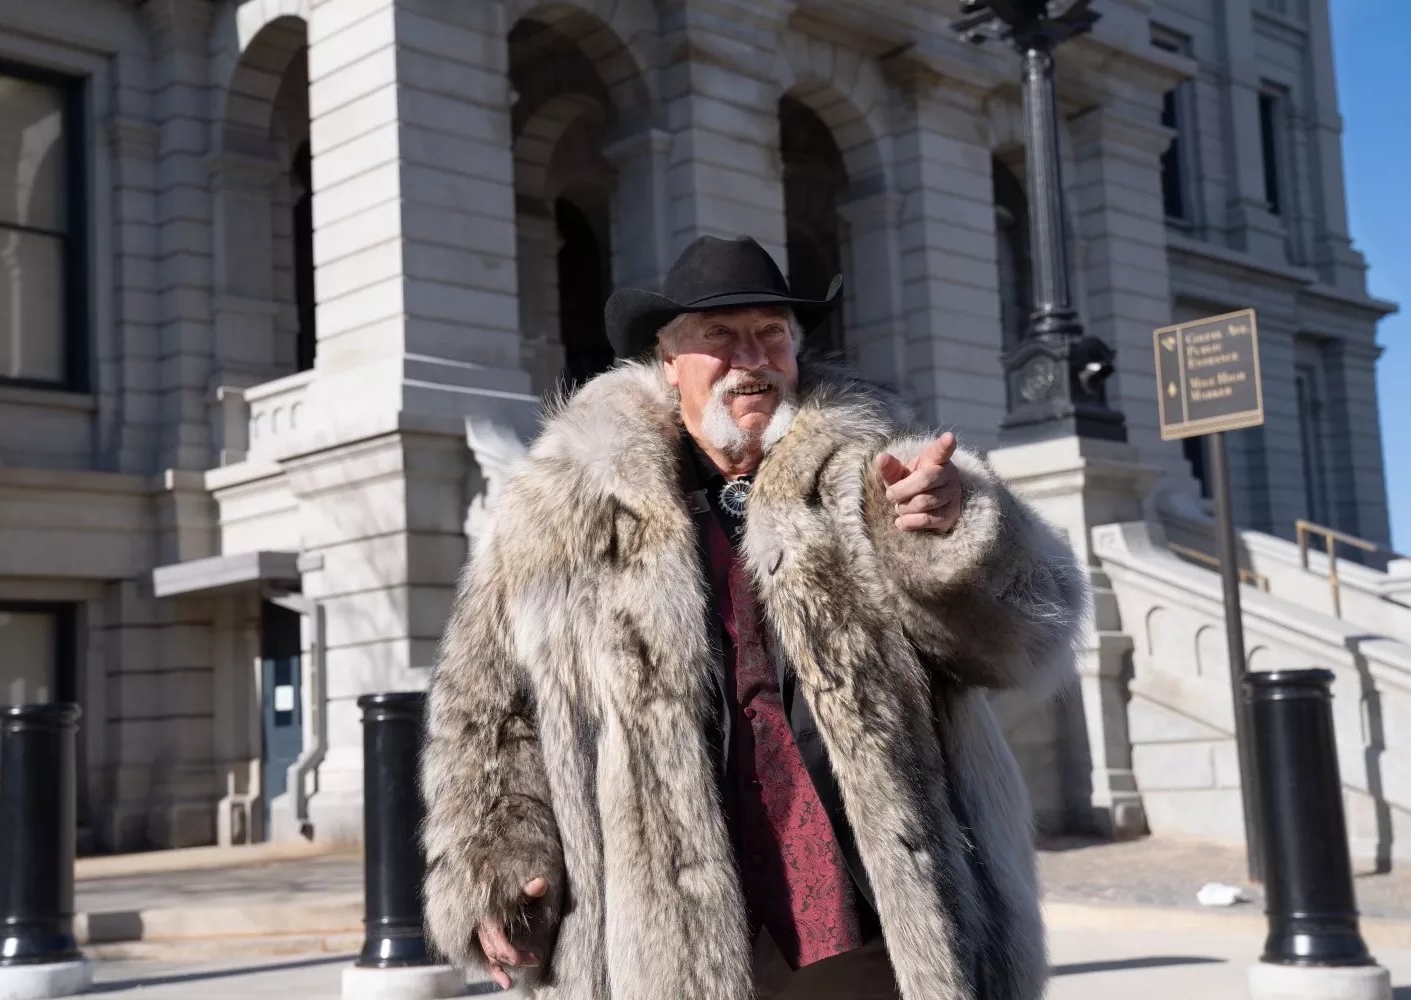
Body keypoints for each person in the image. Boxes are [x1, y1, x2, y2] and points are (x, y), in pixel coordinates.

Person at [420, 235, 1087, 1000]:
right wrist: (494, 864)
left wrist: (956, 532)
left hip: (874, 920)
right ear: (668, 361)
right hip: (659, 936)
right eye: (720, 336)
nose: (752, 358)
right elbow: (485, 707)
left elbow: (1025, 641)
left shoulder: (871, 471)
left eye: (771, 333)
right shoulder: (563, 505)